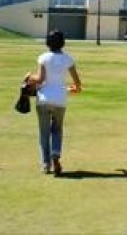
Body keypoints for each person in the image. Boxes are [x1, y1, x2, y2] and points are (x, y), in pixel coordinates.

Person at [27, 29, 82, 176]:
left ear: (48, 42)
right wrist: (73, 89)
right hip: (60, 99)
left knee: (44, 133)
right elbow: (77, 83)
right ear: (62, 43)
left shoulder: (43, 58)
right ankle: (56, 156)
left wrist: (28, 77)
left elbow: (40, 79)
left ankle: (46, 164)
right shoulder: (68, 59)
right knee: (57, 129)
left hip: (43, 99)